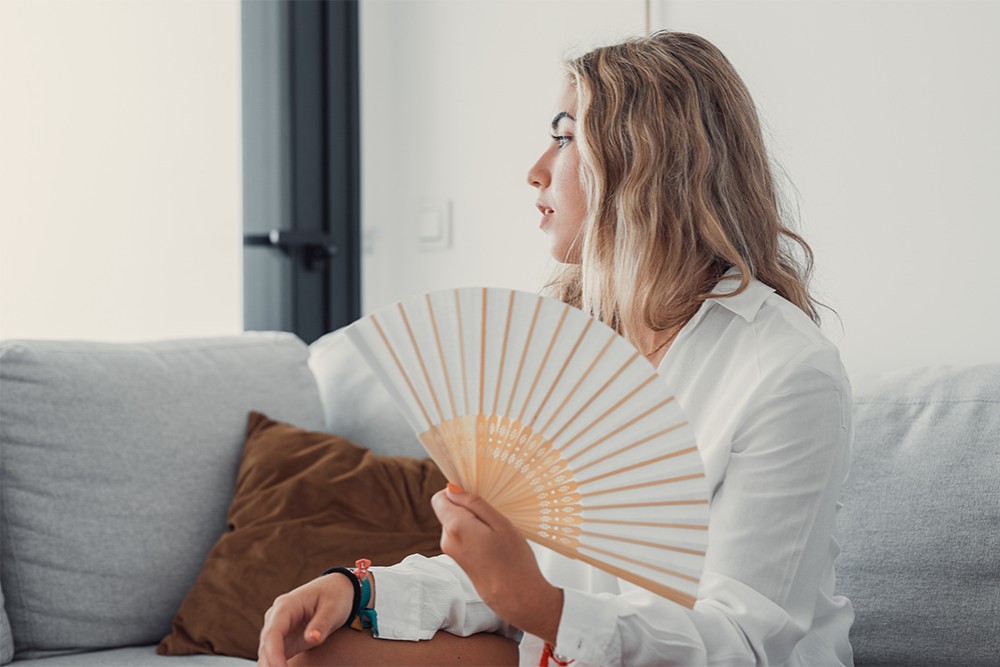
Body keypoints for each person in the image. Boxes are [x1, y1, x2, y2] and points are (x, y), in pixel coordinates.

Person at [257, 30, 854, 667]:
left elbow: (740, 643)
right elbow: (511, 579)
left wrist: (543, 607)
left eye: (565, 137)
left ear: (643, 162)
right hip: (566, 650)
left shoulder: (789, 372)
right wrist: (359, 589)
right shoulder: (574, 344)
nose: (536, 170)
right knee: (318, 655)